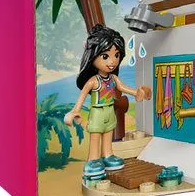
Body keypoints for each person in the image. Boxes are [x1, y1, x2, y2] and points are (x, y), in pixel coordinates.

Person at [63, 26, 151, 186]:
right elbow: (82, 96)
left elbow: (123, 88)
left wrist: (137, 92)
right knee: (96, 135)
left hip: (109, 110)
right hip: (97, 112)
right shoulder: (93, 81)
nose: (112, 62)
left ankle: (108, 155)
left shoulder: (113, 79)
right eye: (105, 56)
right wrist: (75, 111)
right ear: (92, 56)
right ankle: (93, 159)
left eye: (116, 55)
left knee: (108, 134)